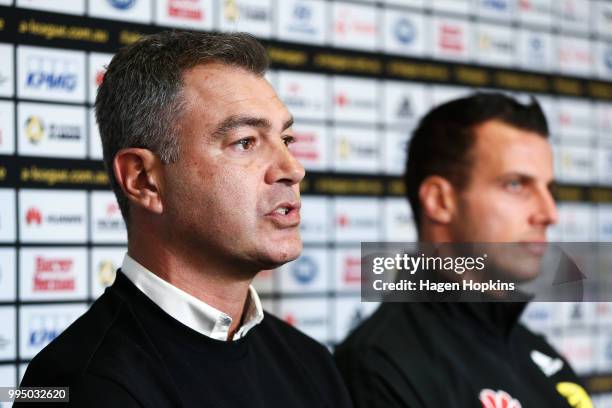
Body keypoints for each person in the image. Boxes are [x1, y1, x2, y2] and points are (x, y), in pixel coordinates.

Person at [18, 31, 352, 408]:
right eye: (245, 142)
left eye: (286, 140)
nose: (293, 169)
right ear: (144, 180)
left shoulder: (310, 364)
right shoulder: (82, 385)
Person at [334, 93, 593, 408]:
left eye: (548, 189)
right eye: (516, 185)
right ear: (441, 201)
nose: (549, 213)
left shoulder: (538, 353)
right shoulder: (379, 366)